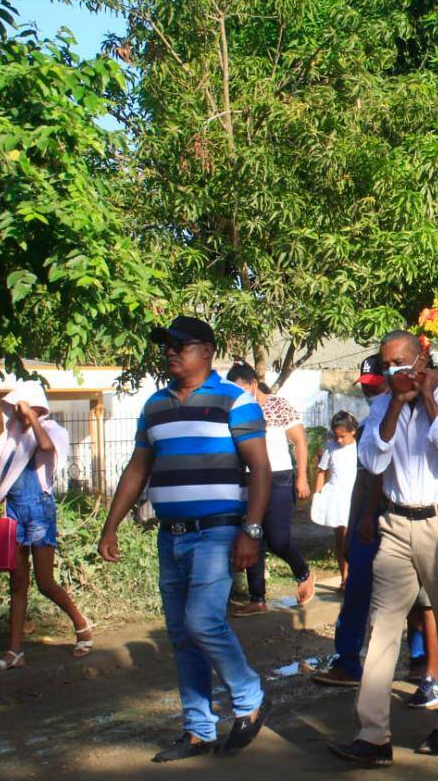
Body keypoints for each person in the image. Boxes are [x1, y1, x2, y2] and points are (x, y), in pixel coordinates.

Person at [98, 315, 271, 762]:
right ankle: (198, 729)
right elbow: (138, 468)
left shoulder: (234, 401)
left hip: (217, 532)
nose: (172, 352)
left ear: (208, 352)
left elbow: (261, 469)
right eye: (167, 347)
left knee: (202, 622)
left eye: (182, 345)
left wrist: (250, 531)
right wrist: (111, 525)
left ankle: (250, 696)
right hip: (170, 537)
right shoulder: (155, 404)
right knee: (181, 634)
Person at [330, 331, 438, 765]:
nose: (396, 372)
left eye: (403, 363)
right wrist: (395, 402)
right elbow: (373, 461)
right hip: (395, 523)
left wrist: (426, 396)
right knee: (383, 626)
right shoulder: (379, 406)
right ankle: (373, 734)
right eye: (388, 364)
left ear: (422, 360)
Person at [0, 381, 92, 673]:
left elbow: (46, 447)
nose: (17, 414)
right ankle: (14, 651)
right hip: (14, 511)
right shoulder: (13, 437)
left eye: (22, 407)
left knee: (44, 582)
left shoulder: (53, 431)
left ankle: (81, 625)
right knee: (17, 582)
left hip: (39, 512)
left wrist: (31, 418)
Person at [312, 357, 388, 688]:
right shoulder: (370, 425)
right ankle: (348, 662)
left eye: (376, 386)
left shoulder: (410, 419)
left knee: (413, 599)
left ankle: (421, 662)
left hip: (400, 518)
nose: (372, 393)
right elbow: (363, 479)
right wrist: (360, 518)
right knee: (357, 589)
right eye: (367, 388)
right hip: (368, 521)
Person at [225, 364, 313, 616]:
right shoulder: (236, 410)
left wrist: (302, 478)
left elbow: (299, 441)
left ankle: (303, 573)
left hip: (279, 478)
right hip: (249, 479)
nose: (238, 394)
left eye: (241, 389)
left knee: (278, 539)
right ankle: (257, 598)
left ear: (253, 384)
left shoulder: (278, 405)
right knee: (253, 536)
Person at [311, 411, 360, 590]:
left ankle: (354, 575)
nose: (339, 440)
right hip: (336, 497)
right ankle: (344, 577)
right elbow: (322, 472)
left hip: (353, 495)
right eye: (336, 436)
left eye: (343, 436)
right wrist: (318, 496)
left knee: (351, 537)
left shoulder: (359, 447)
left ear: (353, 431)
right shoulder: (331, 446)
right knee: (340, 538)